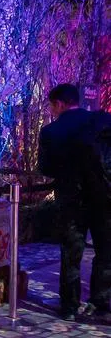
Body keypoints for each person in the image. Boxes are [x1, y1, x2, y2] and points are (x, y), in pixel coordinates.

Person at [38, 83, 111, 321]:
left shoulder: (51, 132)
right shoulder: (104, 121)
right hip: (104, 198)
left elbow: (46, 169)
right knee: (105, 251)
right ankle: (100, 302)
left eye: (52, 106)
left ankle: (70, 307)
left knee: (71, 253)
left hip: (71, 201)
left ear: (59, 103)